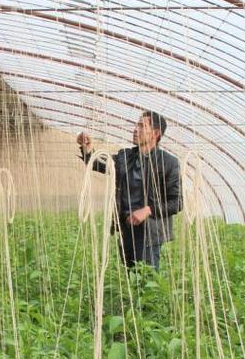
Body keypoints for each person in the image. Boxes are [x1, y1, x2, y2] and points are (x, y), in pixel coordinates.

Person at [77, 111, 182, 269]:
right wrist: (87, 149)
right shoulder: (125, 156)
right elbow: (98, 164)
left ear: (155, 133)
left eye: (141, 126)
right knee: (130, 276)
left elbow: (177, 202)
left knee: (147, 279)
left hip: (149, 232)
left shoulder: (168, 163)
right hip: (126, 228)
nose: (135, 129)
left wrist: (148, 210)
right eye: (136, 125)